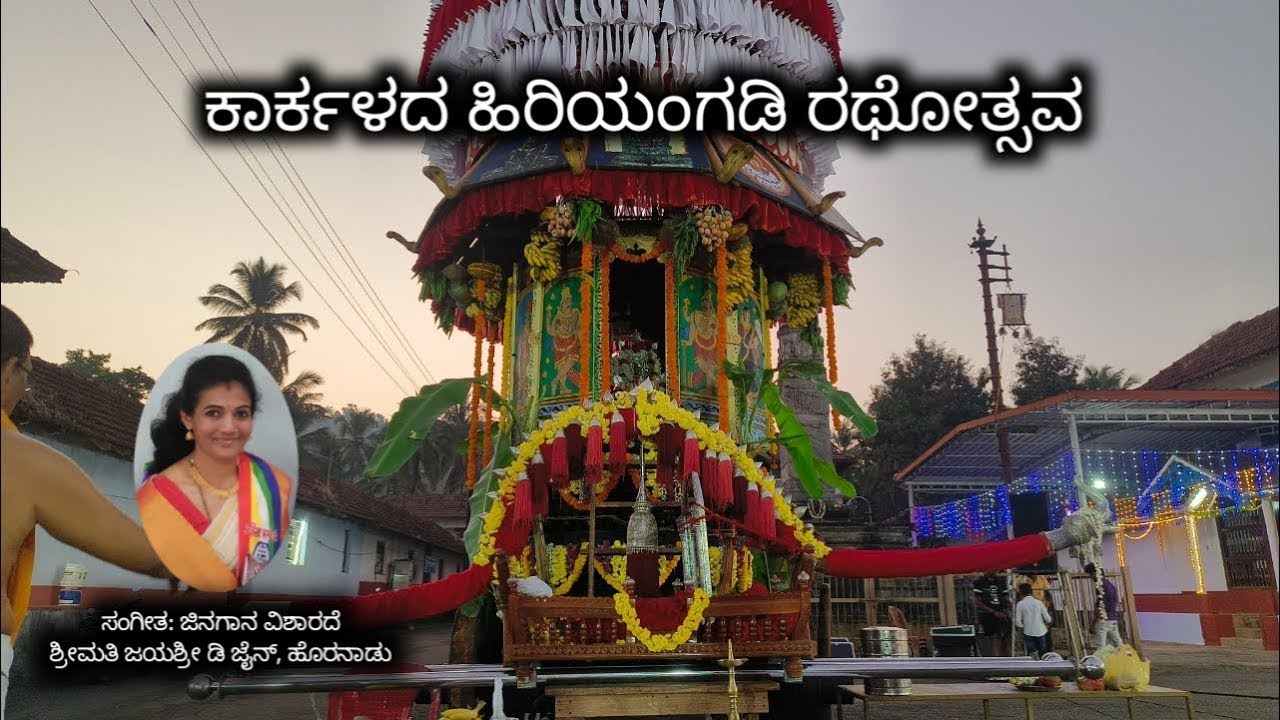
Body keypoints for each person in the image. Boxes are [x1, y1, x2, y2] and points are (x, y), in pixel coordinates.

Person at [1, 305, 170, 717]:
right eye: (26, 372)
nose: (25, 387)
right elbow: (152, 555)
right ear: (7, 369)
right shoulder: (20, 461)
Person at [135, 355, 294, 592]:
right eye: (214, 413)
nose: (229, 428)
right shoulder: (158, 496)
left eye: (241, 414)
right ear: (188, 418)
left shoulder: (272, 487)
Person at [1084, 562, 1123, 650]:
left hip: (1103, 620)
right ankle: (1125, 660)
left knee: (1100, 647)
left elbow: (1100, 606)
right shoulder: (1110, 585)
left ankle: (1102, 663)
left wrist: (1093, 623)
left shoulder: (1100, 586)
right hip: (1112, 619)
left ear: (1095, 573)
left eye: (1090, 574)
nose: (1090, 577)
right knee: (1119, 645)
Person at [972, 570, 1012, 656]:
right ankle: (996, 664)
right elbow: (978, 602)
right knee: (995, 640)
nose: (996, 571)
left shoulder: (1001, 582)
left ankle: (1009, 663)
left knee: (1008, 639)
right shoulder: (979, 582)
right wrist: (993, 612)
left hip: (1002, 613)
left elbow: (1006, 598)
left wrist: (1012, 609)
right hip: (988, 614)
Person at [1014, 582, 1053, 658]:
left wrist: (1021, 628)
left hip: (1028, 631)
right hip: (1041, 630)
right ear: (1031, 592)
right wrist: (1047, 625)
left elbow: (1018, 621)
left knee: (1032, 655)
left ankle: (1033, 667)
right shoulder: (1039, 603)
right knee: (1043, 653)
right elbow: (1048, 618)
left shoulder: (1020, 604)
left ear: (1021, 593)